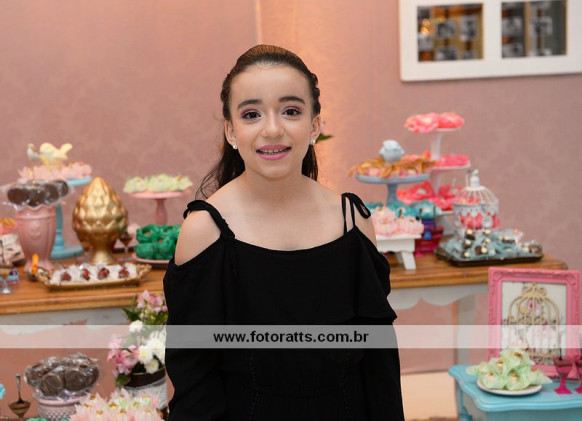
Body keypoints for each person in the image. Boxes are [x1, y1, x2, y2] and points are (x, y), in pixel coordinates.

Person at [163, 44, 404, 421]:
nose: (272, 129)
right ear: (231, 131)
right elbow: (194, 379)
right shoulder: (205, 231)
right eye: (252, 114)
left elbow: (379, 366)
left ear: (314, 126)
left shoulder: (352, 222)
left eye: (291, 111)